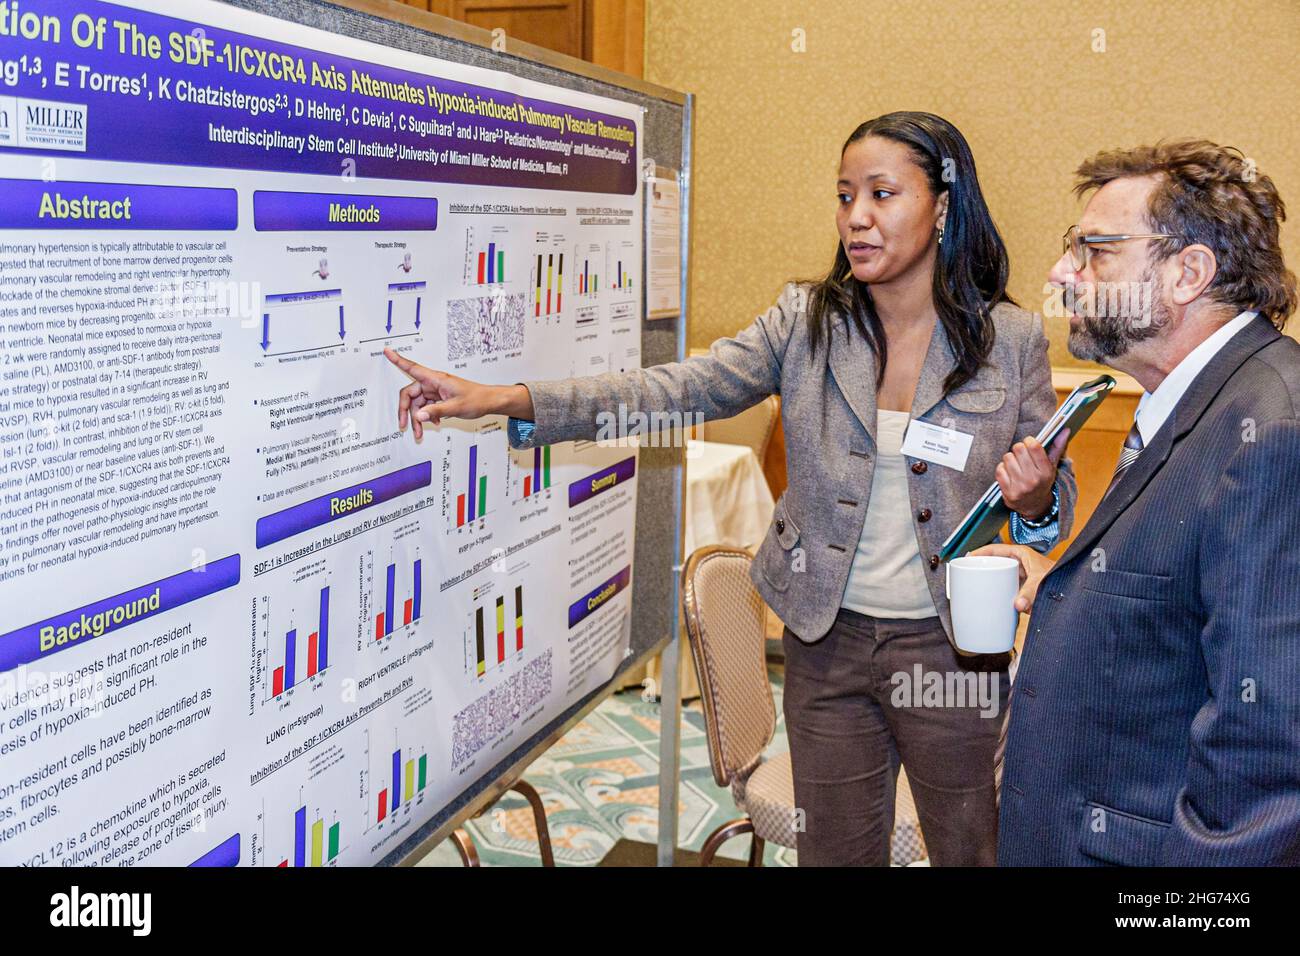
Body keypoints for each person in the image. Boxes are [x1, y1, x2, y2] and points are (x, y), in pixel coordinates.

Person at [386, 112, 1077, 865]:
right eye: (845, 196)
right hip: (826, 643)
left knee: (973, 851)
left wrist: (1037, 497)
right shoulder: (808, 321)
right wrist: (512, 400)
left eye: (883, 194)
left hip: (950, 651)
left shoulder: (1007, 340)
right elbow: (677, 389)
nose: (857, 218)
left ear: (942, 207)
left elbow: (1052, 506)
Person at [975, 140, 1300, 865]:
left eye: (1094, 251)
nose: (1062, 275)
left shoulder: (1273, 432)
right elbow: (1186, 602)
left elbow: (1271, 756)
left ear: (1189, 273)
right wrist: (1063, 583)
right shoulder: (1199, 401)